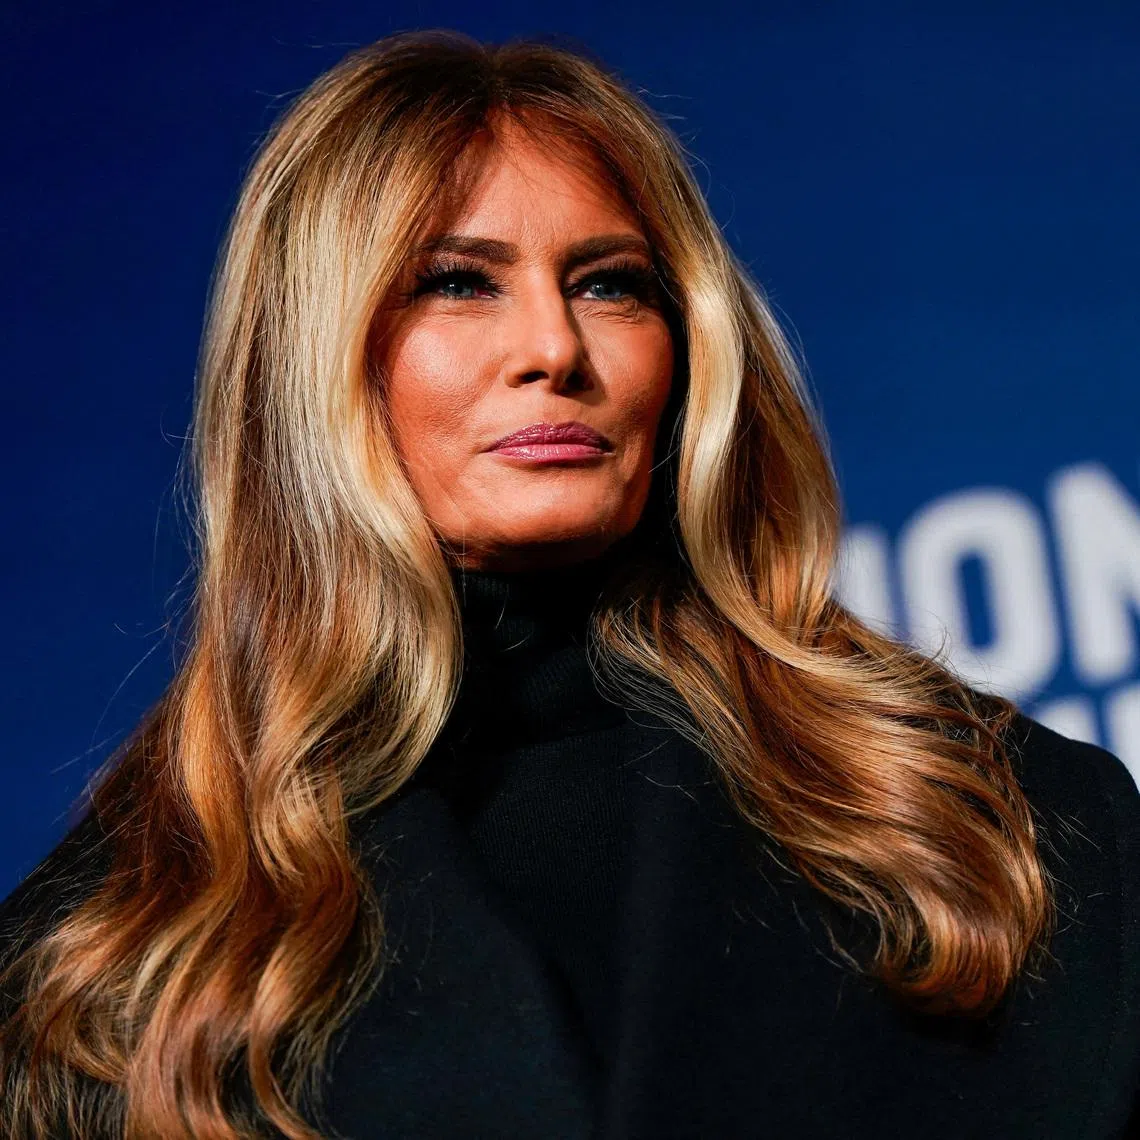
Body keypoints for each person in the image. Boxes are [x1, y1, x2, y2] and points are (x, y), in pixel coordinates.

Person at [1, 29, 1137, 1140]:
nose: (554, 345)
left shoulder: (1002, 827)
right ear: (313, 355)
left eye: (609, 285)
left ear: (686, 348)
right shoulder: (110, 951)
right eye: (457, 283)